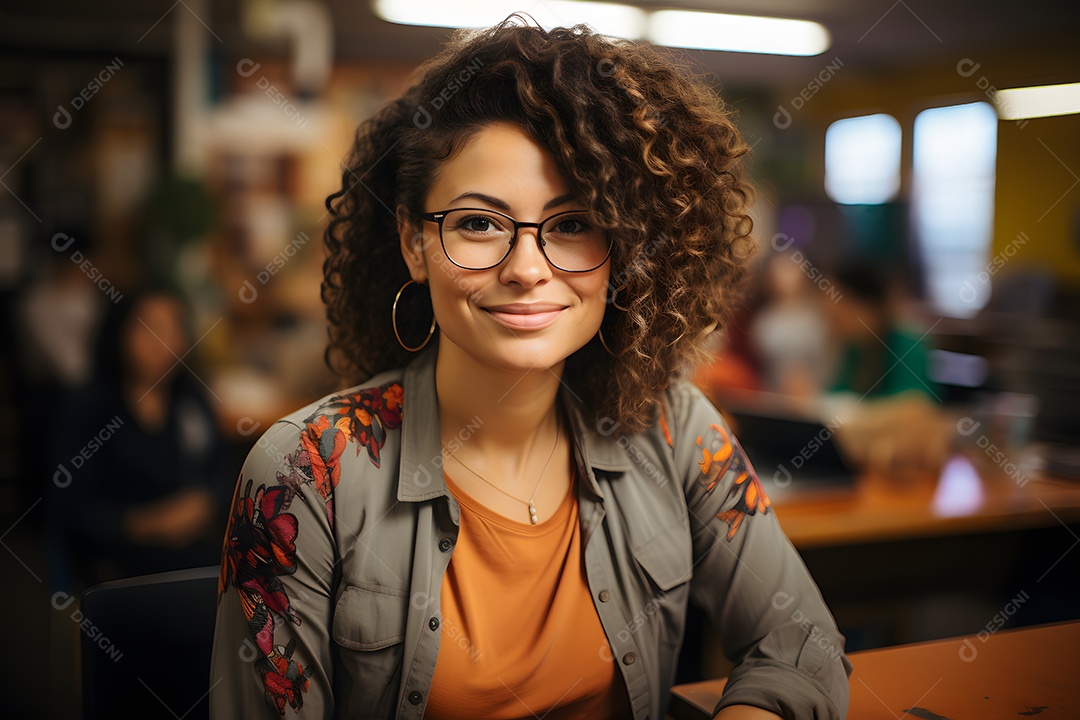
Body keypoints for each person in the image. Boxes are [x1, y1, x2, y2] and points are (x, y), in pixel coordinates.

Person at [211, 17, 851, 720]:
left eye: (573, 224)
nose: (526, 270)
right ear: (414, 244)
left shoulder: (674, 429)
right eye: (479, 223)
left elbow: (804, 642)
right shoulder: (307, 473)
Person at [49, 286, 227, 589]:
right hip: (116, 564)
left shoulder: (190, 398)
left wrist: (205, 503)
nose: (164, 342)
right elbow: (72, 508)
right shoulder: (91, 407)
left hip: (191, 547)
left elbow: (222, 470)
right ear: (120, 333)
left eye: (174, 328)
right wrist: (146, 524)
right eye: (151, 329)